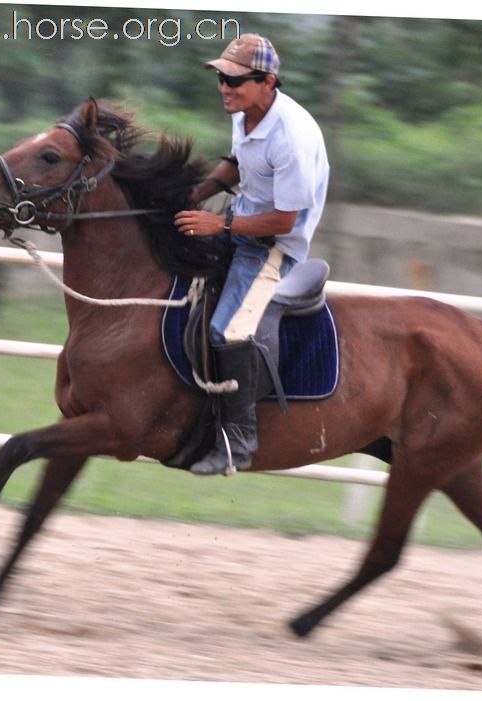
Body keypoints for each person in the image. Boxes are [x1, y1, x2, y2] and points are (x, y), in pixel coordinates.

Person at [174, 33, 330, 476]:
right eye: (222, 78)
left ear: (268, 82)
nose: (225, 87)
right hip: (241, 223)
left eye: (235, 81)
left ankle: (238, 442)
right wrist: (197, 193)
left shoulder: (291, 138)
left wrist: (217, 223)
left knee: (228, 331)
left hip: (274, 248)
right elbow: (240, 162)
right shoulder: (245, 113)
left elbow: (285, 222)